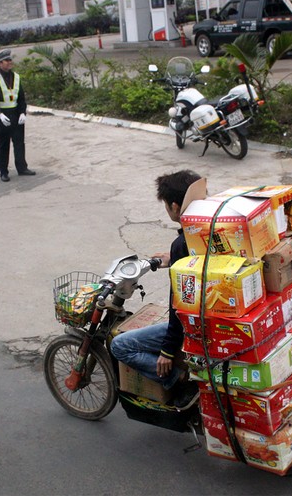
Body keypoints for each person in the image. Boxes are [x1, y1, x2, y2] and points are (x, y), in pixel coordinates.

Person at [110, 170, 203, 408]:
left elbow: (179, 306)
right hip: (208, 316)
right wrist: (172, 258)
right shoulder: (206, 228)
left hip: (192, 325)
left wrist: (168, 352)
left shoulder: (182, 244)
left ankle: (179, 382)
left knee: (120, 345)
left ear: (174, 206)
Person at [0, 49, 35, 182]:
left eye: (10, 60)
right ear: (0, 63)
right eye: (6, 61)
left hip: (15, 114)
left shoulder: (16, 77)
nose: (9, 62)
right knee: (3, 144)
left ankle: (22, 167)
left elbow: (21, 98)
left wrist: (22, 113)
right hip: (2, 116)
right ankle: (3, 171)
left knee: (19, 142)